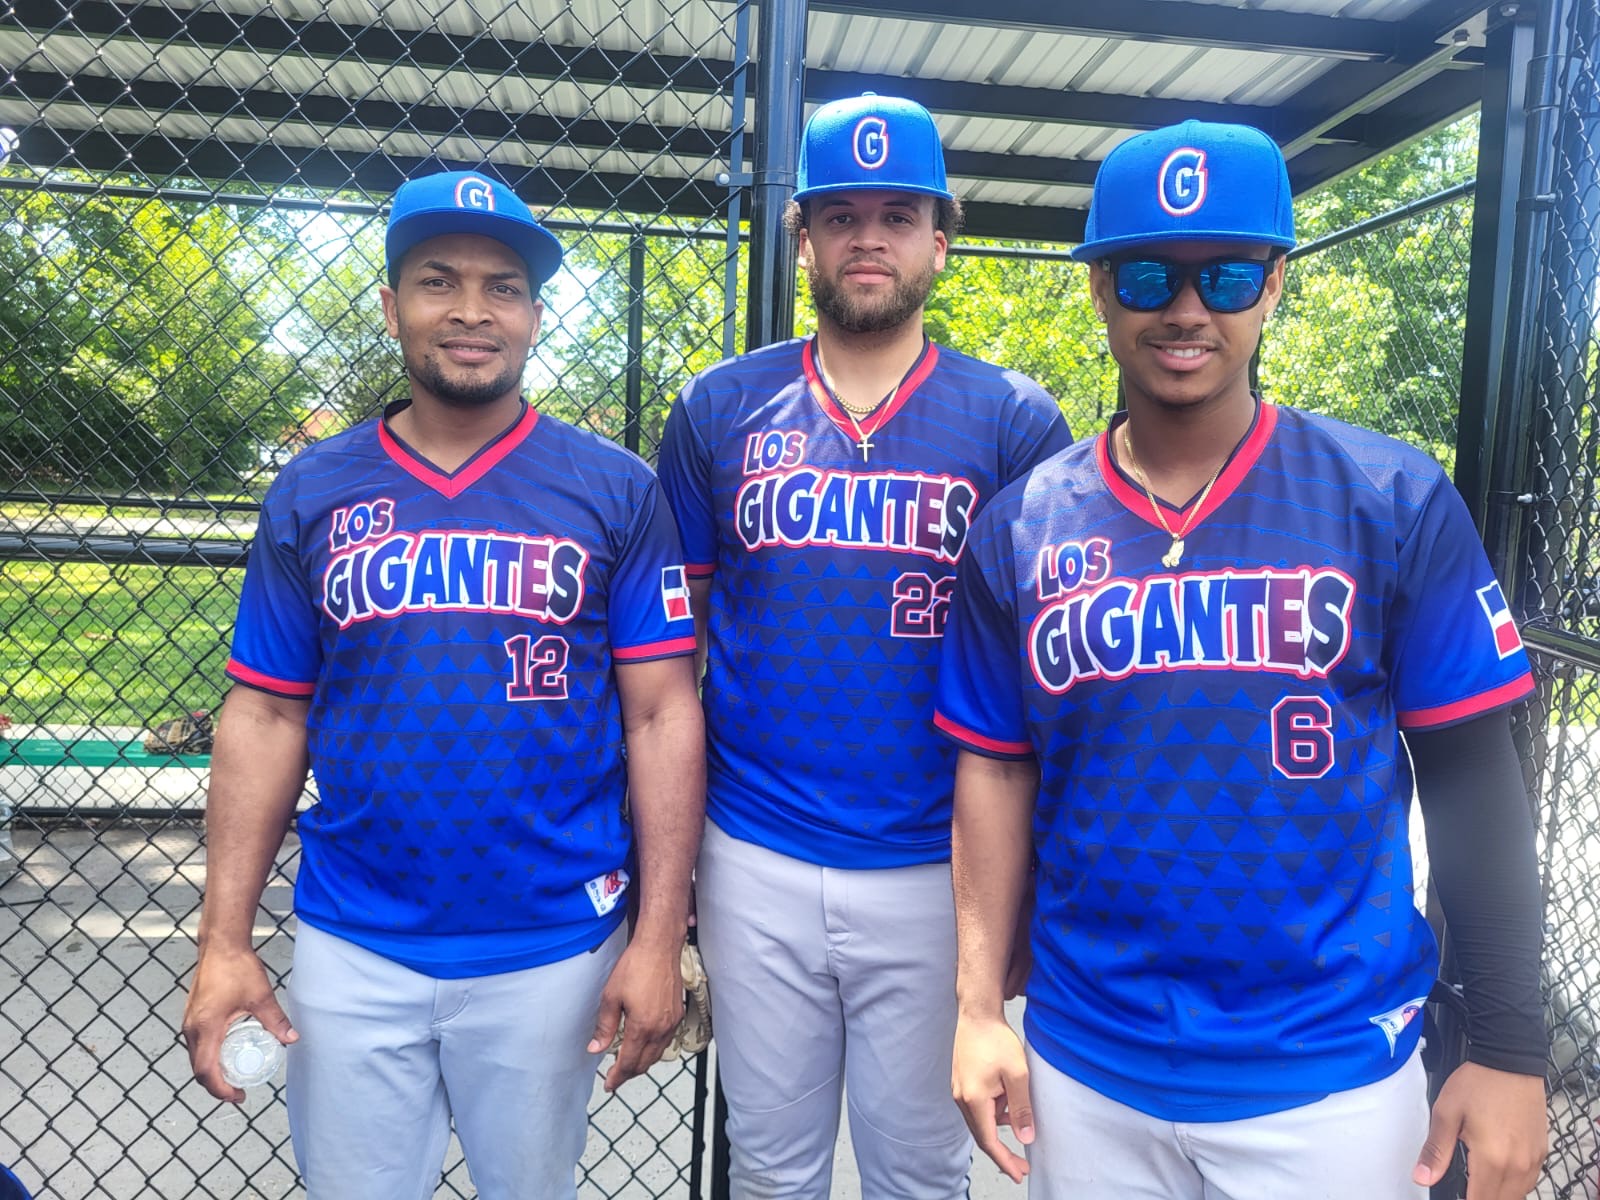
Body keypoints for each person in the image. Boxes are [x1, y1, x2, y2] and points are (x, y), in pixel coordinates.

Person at [936, 119, 1549, 1200]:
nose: (1185, 309)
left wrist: (1508, 1046)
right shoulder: (1022, 525)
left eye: (1223, 275)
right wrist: (979, 1007)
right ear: (1099, 289)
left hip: (1329, 1068)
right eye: (1147, 275)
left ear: (1273, 285)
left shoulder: (1390, 497)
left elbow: (1469, 775)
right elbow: (994, 766)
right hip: (1088, 1060)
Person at [182, 169, 705, 1200]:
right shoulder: (315, 487)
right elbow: (267, 712)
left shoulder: (616, 488)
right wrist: (223, 940)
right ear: (391, 307)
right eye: (438, 281)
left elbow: (661, 712)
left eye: (503, 287)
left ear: (535, 315)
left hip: (553, 937)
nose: (472, 310)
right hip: (355, 933)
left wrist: (658, 936)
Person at [656, 94, 1073, 1198]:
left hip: (938, 866)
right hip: (753, 849)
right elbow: (670, 660)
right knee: (771, 1168)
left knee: (919, 1171)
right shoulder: (720, 407)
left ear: (942, 237)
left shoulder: (1013, 419)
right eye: (840, 216)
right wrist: (673, 873)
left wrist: (1024, 890)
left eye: (898, 215)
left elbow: (1043, 685)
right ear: (804, 238)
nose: (868, 239)